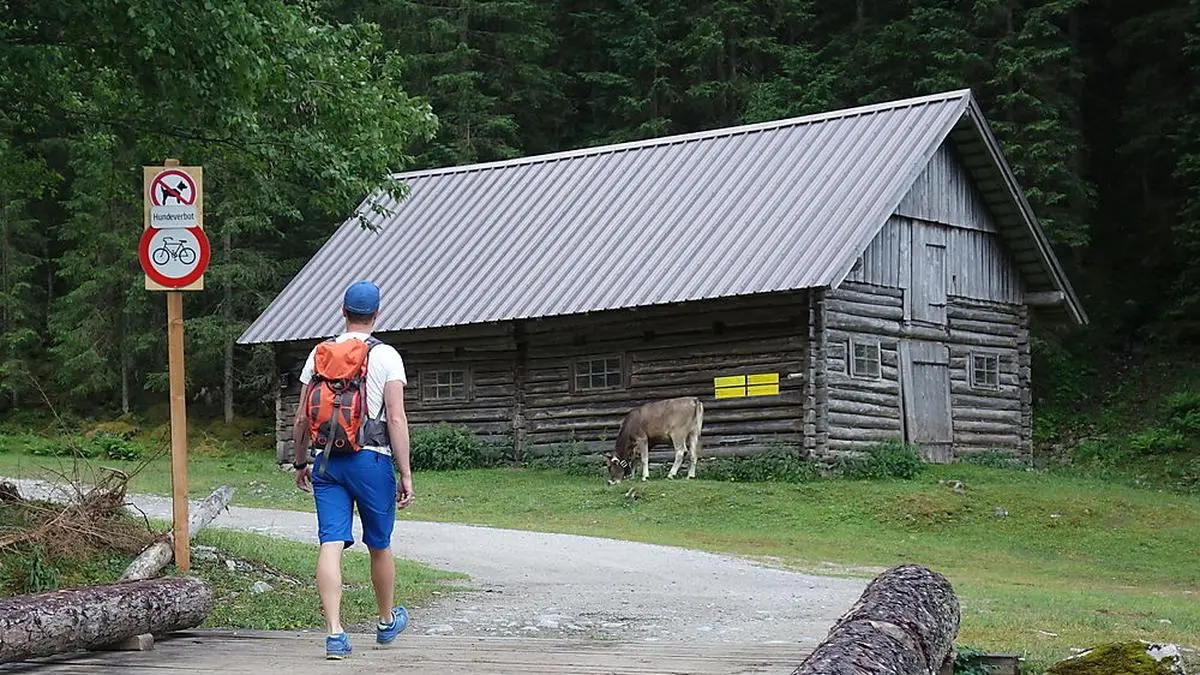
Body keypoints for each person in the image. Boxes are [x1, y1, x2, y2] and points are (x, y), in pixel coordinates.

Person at [291, 279, 415, 660]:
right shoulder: (387, 356)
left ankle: (334, 633)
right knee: (378, 544)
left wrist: (300, 461)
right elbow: (396, 418)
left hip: (327, 462)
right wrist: (406, 473)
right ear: (377, 314)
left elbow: (300, 417)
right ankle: (384, 621)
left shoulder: (319, 354)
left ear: (343, 311)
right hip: (372, 459)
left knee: (331, 542)